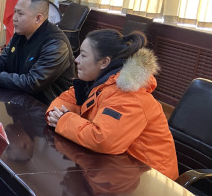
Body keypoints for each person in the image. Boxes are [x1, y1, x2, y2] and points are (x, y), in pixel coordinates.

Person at [46, 29, 178, 180]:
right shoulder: (95, 82)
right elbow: (61, 104)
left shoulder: (127, 95)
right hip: (119, 167)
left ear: (104, 62)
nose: (76, 59)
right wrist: (61, 117)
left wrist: (64, 119)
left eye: (83, 55)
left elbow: (102, 140)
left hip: (152, 179)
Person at [0, 0, 75, 104]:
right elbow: (4, 59)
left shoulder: (56, 44)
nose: (14, 18)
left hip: (48, 107)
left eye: (20, 14)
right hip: (19, 99)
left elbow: (33, 82)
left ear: (38, 18)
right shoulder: (21, 33)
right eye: (15, 12)